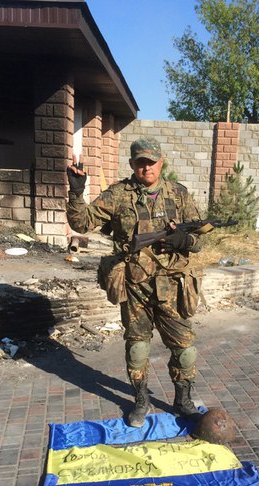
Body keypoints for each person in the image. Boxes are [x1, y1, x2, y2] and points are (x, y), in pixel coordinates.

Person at [66, 137, 205, 428]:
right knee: (138, 348)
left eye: (151, 162)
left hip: (172, 286)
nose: (146, 168)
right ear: (132, 164)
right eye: (140, 163)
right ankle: (141, 400)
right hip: (135, 287)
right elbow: (82, 223)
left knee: (185, 350)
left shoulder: (178, 194)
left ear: (161, 162)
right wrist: (77, 193)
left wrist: (184, 240)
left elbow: (199, 235)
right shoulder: (118, 195)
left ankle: (183, 400)